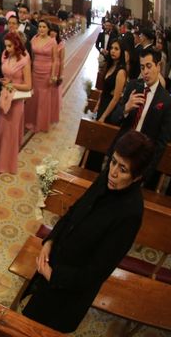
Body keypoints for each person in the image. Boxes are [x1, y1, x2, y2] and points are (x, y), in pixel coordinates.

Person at [22, 131, 153, 333]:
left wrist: (53, 276)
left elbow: (96, 272)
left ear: (137, 177)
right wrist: (50, 241)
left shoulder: (130, 214)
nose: (113, 172)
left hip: (68, 292)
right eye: (113, 162)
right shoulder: (106, 179)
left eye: (123, 169)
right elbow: (74, 211)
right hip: (55, 264)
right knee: (26, 323)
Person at [111, 47, 171, 193]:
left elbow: (161, 143)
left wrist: (146, 173)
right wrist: (125, 109)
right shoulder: (133, 86)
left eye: (149, 66)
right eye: (142, 67)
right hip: (121, 154)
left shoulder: (166, 100)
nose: (145, 72)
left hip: (141, 163)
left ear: (158, 66)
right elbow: (114, 119)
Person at [0, 32, 32, 174]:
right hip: (4, 96)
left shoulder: (24, 60)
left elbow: (28, 86)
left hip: (16, 100)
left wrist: (12, 84)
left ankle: (6, 163)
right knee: (0, 128)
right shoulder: (5, 55)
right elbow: (5, 75)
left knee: (9, 131)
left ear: (17, 45)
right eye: (6, 46)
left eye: (10, 46)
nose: (7, 49)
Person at [25, 21, 59, 133]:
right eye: (40, 26)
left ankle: (41, 123)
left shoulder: (52, 41)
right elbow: (30, 56)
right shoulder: (34, 39)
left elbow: (55, 60)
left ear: (48, 29)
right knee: (34, 97)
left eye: (44, 27)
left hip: (46, 72)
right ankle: (31, 121)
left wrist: (53, 75)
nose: (41, 29)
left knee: (43, 98)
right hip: (35, 71)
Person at [95, 39, 126, 123]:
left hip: (110, 107)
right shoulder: (110, 66)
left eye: (116, 49)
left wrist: (104, 116)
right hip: (103, 103)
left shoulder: (121, 71)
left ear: (121, 51)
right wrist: (98, 104)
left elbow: (116, 98)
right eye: (111, 48)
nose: (113, 51)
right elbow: (104, 89)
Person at [48, 23, 65, 125]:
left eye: (55, 31)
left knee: (54, 92)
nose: (53, 33)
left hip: (57, 68)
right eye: (51, 31)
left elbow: (62, 60)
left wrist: (61, 75)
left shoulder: (61, 43)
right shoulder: (46, 42)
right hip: (47, 67)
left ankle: (52, 114)